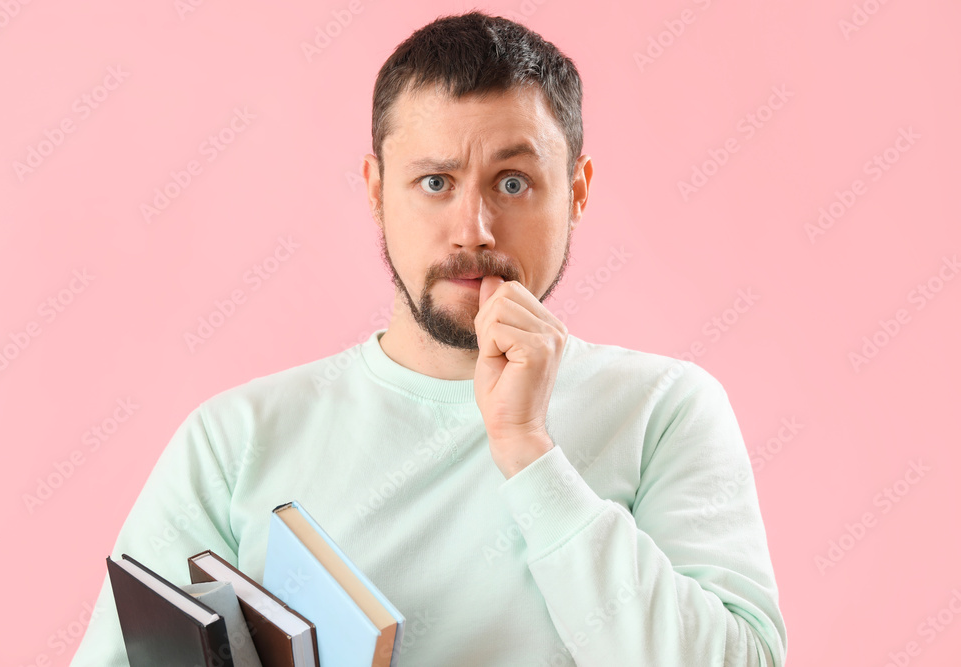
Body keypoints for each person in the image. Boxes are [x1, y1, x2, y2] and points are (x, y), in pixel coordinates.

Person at [70, 10, 787, 666]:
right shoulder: (233, 439)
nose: (473, 230)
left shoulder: (665, 409)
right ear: (377, 189)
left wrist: (530, 453)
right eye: (436, 182)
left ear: (577, 191)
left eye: (513, 183)